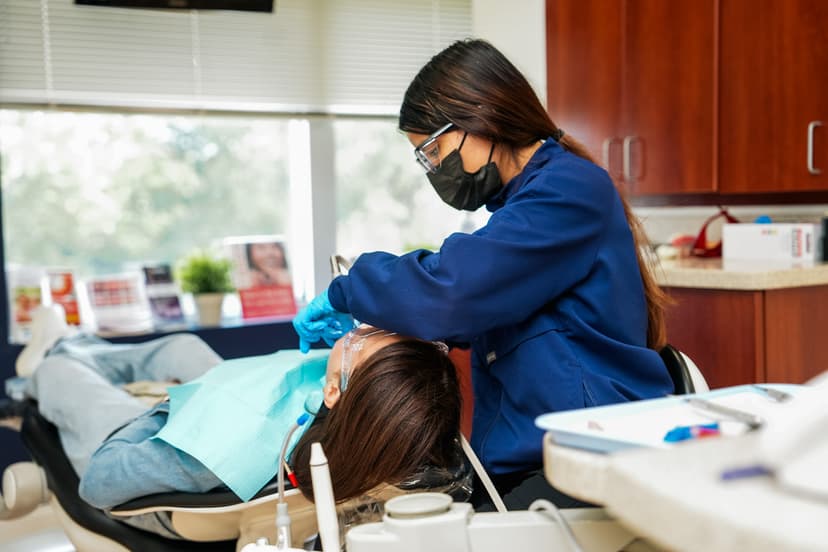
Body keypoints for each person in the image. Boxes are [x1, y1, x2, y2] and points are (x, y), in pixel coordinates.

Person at [292, 38, 674, 510]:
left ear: (479, 117)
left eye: (432, 150)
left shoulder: (568, 190)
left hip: (591, 450)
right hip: (536, 450)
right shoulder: (522, 205)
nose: (433, 169)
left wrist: (347, 291)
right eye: (424, 159)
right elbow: (485, 309)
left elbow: (453, 291)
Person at [21, 326, 463, 539]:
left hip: (166, 454)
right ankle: (78, 344)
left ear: (332, 392)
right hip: (247, 415)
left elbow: (98, 482)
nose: (356, 330)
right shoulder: (373, 427)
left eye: (362, 339)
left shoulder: (205, 452)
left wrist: (163, 411)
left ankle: (56, 354)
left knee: (59, 372)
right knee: (183, 347)